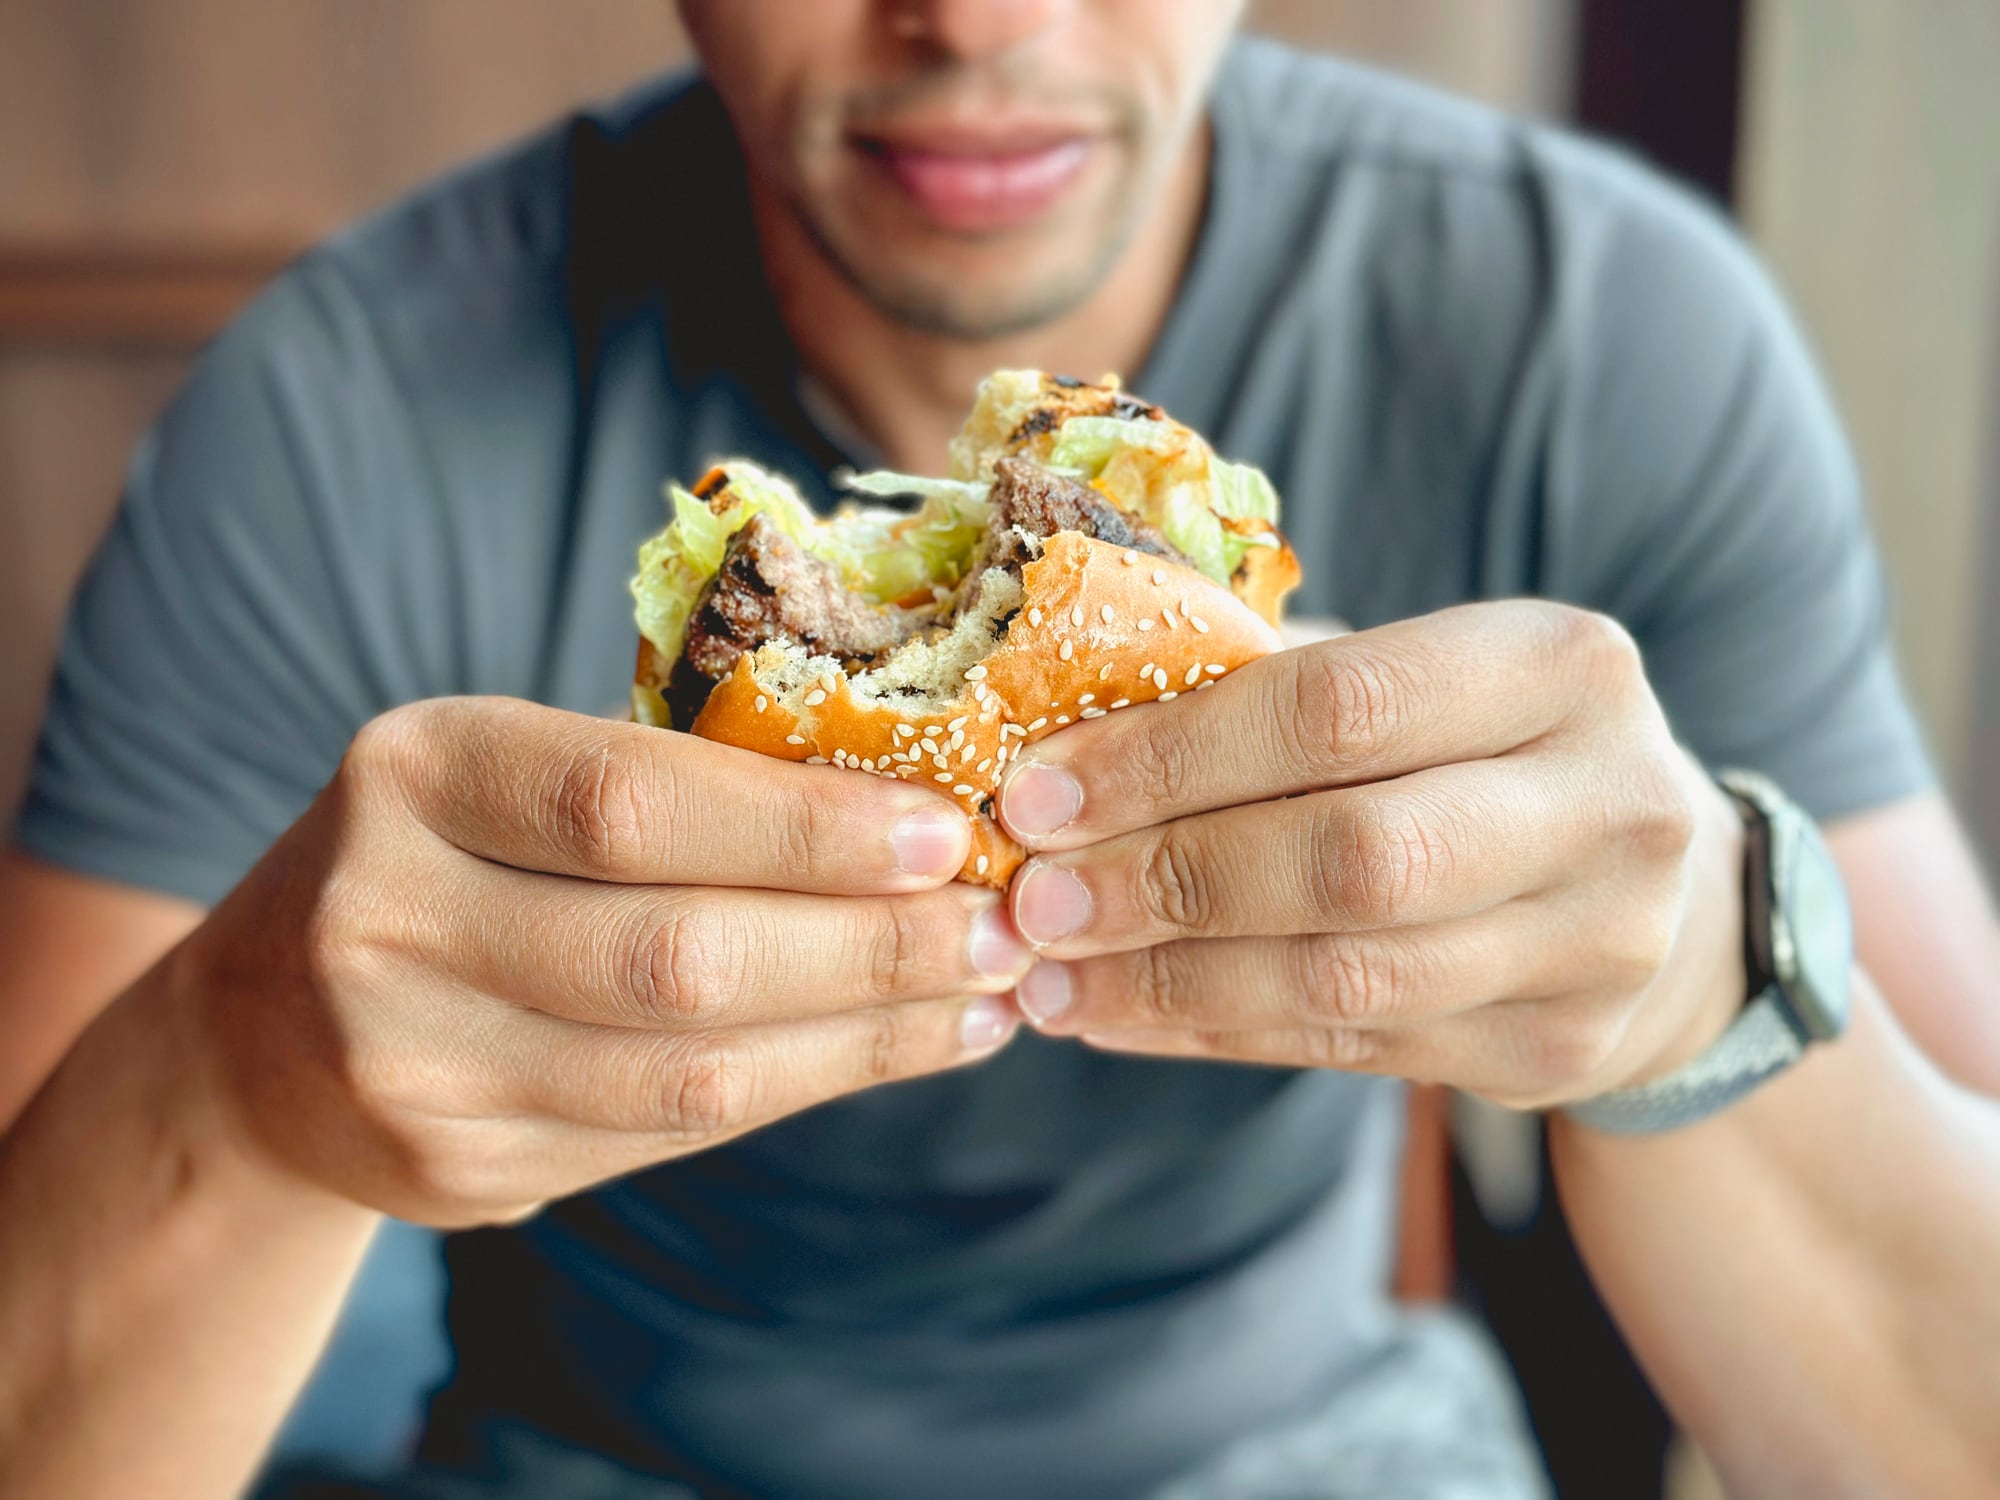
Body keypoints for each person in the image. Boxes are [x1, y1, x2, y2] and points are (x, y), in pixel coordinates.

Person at [3, 2, 1998, 1496]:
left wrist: (1704, 979)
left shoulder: (1600, 336)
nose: (979, 20)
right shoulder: (336, 421)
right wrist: (242, 1073)